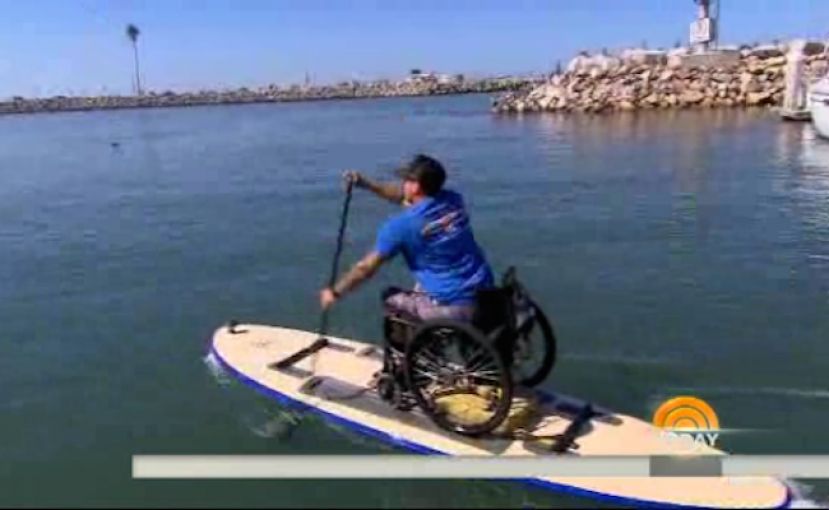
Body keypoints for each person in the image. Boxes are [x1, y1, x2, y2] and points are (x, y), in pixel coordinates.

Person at [319, 153, 494, 322]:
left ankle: (409, 351)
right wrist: (366, 184)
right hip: (486, 295)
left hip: (452, 308)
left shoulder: (401, 226)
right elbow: (402, 197)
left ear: (415, 187)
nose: (402, 184)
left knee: (391, 297)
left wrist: (335, 292)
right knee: (422, 284)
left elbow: (365, 268)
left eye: (406, 180)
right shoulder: (454, 201)